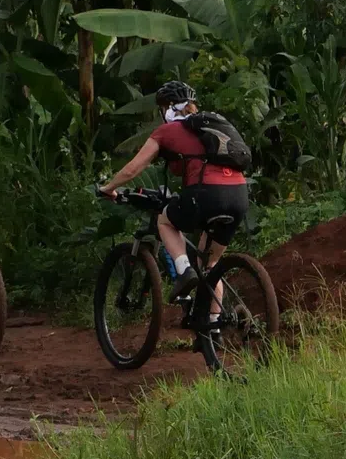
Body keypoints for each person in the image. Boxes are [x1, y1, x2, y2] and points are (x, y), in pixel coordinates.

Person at [96, 80, 249, 298]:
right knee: (210, 266)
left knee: (165, 221)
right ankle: (213, 327)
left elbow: (133, 169)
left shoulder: (167, 131)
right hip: (239, 196)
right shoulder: (211, 127)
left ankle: (184, 270)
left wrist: (108, 188)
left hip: (205, 194)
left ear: (168, 107)